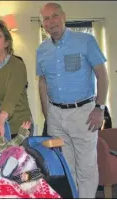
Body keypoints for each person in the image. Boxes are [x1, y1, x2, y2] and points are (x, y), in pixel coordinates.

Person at [37, 2, 109, 198]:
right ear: (42, 23)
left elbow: (102, 75)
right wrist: (46, 113)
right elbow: (42, 83)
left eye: (54, 16)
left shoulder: (85, 41)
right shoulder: (41, 50)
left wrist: (99, 108)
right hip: (56, 115)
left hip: (83, 113)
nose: (51, 22)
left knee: (86, 166)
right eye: (46, 19)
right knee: (67, 166)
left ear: (64, 17)